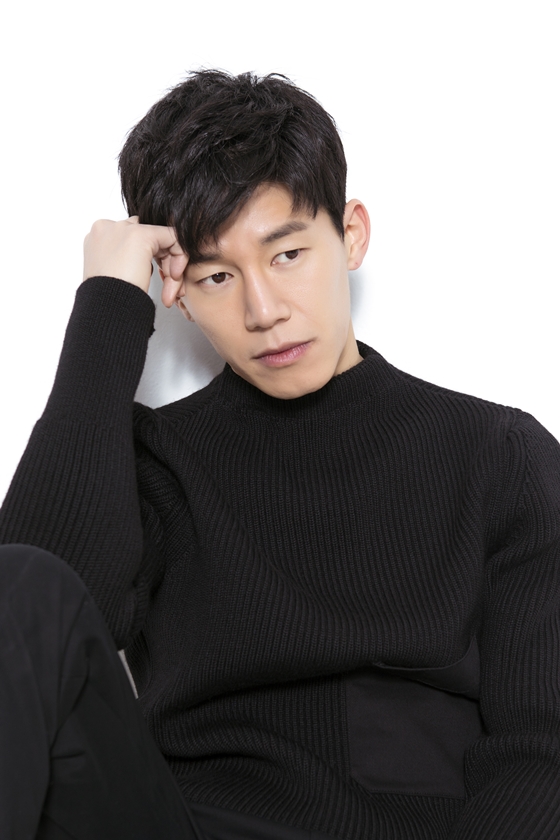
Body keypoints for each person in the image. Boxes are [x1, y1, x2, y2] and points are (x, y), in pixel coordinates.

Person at [0, 69, 559, 840]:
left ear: (351, 234)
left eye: (288, 254)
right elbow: (27, 635)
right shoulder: (157, 463)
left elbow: (544, 751)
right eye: (217, 274)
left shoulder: (499, 458)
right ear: (176, 288)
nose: (263, 311)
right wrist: (109, 303)